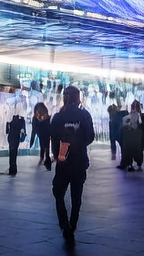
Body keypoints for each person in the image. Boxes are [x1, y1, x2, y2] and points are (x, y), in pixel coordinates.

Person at [49, 86, 95, 245]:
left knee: (58, 192)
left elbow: (53, 137)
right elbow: (90, 137)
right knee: (77, 194)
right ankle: (73, 223)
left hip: (63, 162)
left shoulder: (58, 117)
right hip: (79, 160)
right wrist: (78, 142)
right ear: (78, 97)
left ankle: (64, 224)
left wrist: (57, 153)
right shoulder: (84, 115)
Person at [118, 101, 144, 171]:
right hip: (131, 138)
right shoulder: (128, 118)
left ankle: (131, 163)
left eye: (135, 108)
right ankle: (130, 163)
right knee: (130, 151)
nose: (134, 110)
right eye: (133, 107)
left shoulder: (139, 117)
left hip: (134, 138)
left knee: (134, 151)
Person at [31, 102, 52, 171]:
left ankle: (46, 158)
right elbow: (34, 129)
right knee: (43, 144)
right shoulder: (35, 119)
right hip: (41, 134)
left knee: (46, 145)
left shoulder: (47, 118)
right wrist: (32, 139)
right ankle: (43, 157)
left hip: (45, 134)